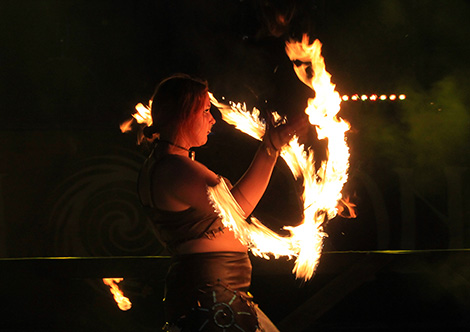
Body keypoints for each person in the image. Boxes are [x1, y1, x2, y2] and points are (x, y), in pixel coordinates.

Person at [137, 73, 306, 331]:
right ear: (185, 113)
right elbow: (236, 210)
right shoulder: (174, 168)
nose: (212, 118)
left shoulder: (165, 164)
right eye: (205, 110)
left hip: (215, 294)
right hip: (211, 299)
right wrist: (270, 146)